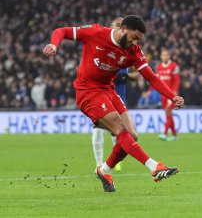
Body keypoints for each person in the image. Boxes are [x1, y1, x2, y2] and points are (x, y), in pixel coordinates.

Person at [42, 15, 185, 192]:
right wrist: (54, 44)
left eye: (139, 40)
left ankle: (104, 170)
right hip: (88, 91)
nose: (135, 43)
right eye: (134, 38)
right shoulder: (96, 33)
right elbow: (61, 31)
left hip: (108, 90)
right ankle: (154, 167)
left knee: (132, 135)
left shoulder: (133, 51)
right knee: (120, 129)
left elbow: (151, 77)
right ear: (123, 29)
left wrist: (172, 96)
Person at [91, 17, 138, 172]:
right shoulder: (104, 46)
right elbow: (104, 71)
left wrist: (134, 75)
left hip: (119, 96)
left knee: (118, 131)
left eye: (122, 25)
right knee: (97, 128)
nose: (120, 28)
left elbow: (132, 69)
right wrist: (128, 76)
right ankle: (99, 163)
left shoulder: (126, 49)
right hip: (101, 94)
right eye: (117, 25)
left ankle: (114, 161)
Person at [156, 49, 180, 141]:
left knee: (168, 111)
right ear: (161, 56)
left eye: (166, 55)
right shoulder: (159, 67)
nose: (164, 57)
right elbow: (157, 80)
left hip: (171, 94)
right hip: (163, 94)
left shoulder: (174, 66)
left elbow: (177, 80)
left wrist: (175, 91)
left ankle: (165, 133)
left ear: (169, 56)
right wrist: (150, 90)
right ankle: (174, 135)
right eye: (163, 55)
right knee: (168, 114)